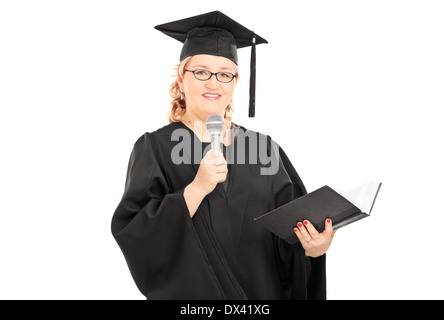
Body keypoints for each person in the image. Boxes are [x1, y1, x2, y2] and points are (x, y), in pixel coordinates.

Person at [111, 11, 336, 300]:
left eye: (224, 74)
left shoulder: (265, 149)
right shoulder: (155, 148)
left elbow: (290, 232)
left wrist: (312, 248)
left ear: (236, 80)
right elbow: (135, 232)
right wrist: (195, 190)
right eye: (201, 72)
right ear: (181, 75)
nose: (213, 84)